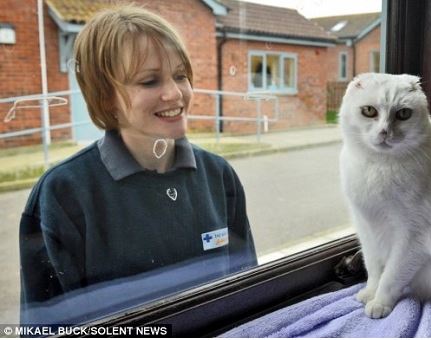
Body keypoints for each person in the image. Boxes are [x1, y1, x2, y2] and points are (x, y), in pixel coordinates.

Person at [19, 5, 257, 323]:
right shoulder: (63, 194)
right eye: (149, 81)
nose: (174, 93)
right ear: (106, 98)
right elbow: (46, 327)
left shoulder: (219, 176)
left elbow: (252, 293)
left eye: (180, 76)